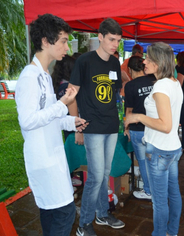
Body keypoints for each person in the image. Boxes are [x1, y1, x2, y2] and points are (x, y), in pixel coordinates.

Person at [15, 14, 88, 236]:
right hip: (43, 157)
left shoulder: (44, 74)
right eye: (64, 40)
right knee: (64, 212)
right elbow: (28, 121)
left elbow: (48, 117)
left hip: (51, 154)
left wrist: (70, 121)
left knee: (51, 211)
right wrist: (63, 104)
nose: (67, 46)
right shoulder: (30, 76)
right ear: (46, 41)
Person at [68, 18, 125, 236]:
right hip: (91, 126)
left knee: (105, 173)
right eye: (111, 39)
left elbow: (115, 94)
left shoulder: (113, 63)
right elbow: (71, 95)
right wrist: (77, 125)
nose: (114, 44)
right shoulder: (84, 61)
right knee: (95, 175)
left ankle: (102, 213)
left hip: (111, 124)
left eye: (118, 41)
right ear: (100, 37)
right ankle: (84, 223)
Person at [124, 42, 183, 236]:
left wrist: (138, 117)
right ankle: (171, 232)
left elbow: (165, 125)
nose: (144, 61)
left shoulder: (161, 87)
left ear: (158, 63)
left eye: (148, 59)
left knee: (159, 201)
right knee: (173, 193)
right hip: (172, 148)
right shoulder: (173, 82)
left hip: (160, 150)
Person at [124, 56, 156, 200]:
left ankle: (149, 191)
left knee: (143, 161)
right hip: (154, 126)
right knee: (155, 160)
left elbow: (129, 111)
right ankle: (157, 189)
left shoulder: (130, 86)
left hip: (138, 129)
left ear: (129, 70)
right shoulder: (154, 81)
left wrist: (126, 127)